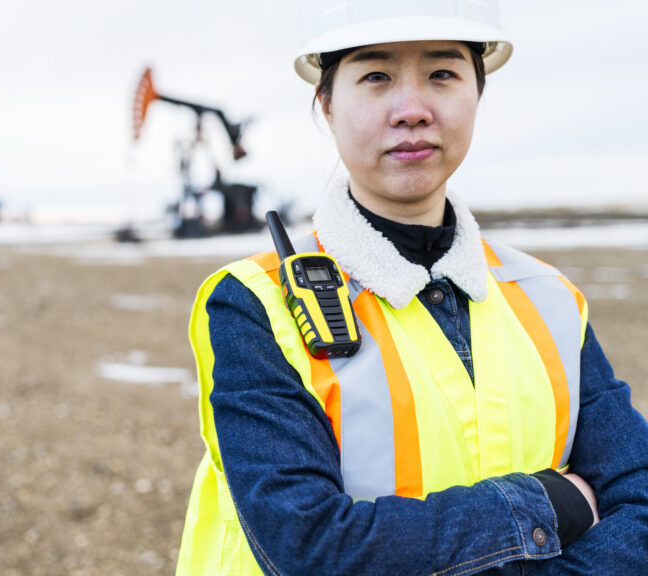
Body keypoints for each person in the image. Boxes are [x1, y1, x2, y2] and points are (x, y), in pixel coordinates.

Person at [175, 1, 648, 574]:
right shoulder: (256, 305)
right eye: (376, 76)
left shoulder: (548, 297)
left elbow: (640, 495)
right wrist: (549, 504)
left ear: (479, 91)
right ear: (325, 103)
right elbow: (310, 547)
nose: (412, 110)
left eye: (442, 74)